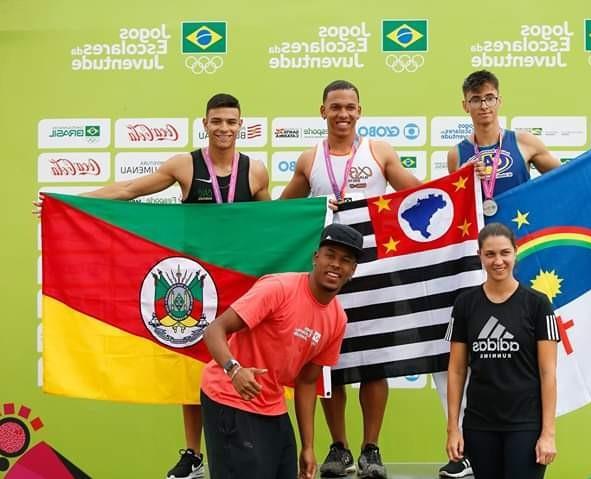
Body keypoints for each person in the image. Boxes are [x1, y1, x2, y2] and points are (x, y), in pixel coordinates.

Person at [35, 93, 270, 479]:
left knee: (242, 361)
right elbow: (129, 190)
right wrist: (67, 201)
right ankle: (194, 454)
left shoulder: (256, 171)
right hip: (195, 279)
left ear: (240, 125)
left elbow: (272, 222)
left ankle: (241, 448)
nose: (224, 128)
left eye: (231, 121)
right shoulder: (185, 164)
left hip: (238, 279)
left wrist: (317, 213)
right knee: (191, 364)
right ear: (205, 124)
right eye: (217, 121)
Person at [437, 70, 591, 477]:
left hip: (519, 258)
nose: (484, 105)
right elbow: (448, 210)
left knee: (529, 347)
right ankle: (467, 439)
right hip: (480, 260)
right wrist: (462, 183)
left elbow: (568, 181)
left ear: (499, 100)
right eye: (476, 99)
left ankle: (538, 428)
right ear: (465, 106)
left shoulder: (523, 142)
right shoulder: (456, 155)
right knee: (471, 351)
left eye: (490, 97)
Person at [281, 80, 421, 479]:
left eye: (350, 107)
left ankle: (370, 449)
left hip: (374, 271)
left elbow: (417, 192)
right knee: (330, 365)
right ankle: (338, 447)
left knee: (374, 363)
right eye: (335, 107)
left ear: (360, 111)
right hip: (328, 279)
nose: (343, 113)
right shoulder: (309, 159)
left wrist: (464, 183)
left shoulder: (378, 151)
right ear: (321, 111)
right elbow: (282, 210)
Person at [200, 223, 363, 479]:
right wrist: (235, 370)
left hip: (272, 405)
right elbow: (214, 330)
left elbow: (308, 381)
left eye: (345, 260)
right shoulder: (278, 288)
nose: (335, 264)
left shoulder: (337, 319)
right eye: (330, 255)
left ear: (352, 270)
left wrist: (308, 446)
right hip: (229, 396)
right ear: (315, 257)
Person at [445, 223, 560, 479]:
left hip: (526, 426)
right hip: (479, 426)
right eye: (490, 254)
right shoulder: (465, 304)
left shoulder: (538, 304)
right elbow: (456, 370)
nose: (498, 261)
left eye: (505, 253)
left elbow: (548, 372)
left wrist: (548, 433)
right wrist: (453, 428)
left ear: (515, 252)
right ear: (480, 257)